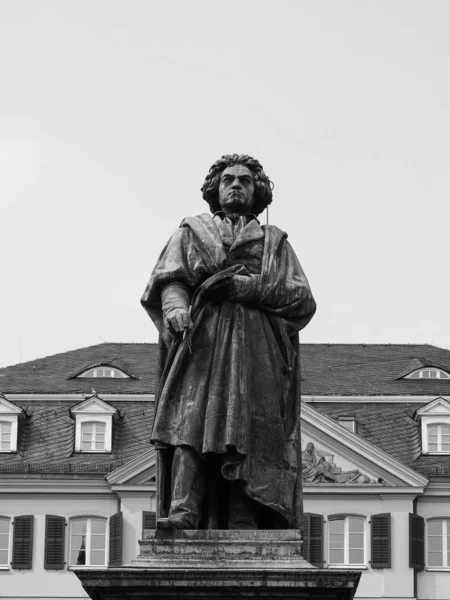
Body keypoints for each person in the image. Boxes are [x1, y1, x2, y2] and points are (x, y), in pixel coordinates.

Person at [141, 154, 316, 530]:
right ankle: (183, 511)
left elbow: (302, 299)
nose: (236, 184)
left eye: (245, 180)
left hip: (258, 350)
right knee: (188, 422)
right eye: (228, 179)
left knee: (250, 430)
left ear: (258, 192)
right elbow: (170, 280)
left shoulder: (275, 242)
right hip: (200, 342)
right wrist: (175, 307)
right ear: (215, 190)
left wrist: (246, 286)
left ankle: (245, 517)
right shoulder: (191, 232)